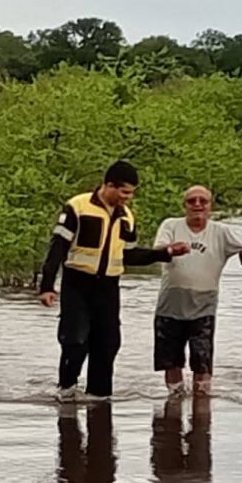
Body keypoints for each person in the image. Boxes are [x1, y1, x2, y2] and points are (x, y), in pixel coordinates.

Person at [38, 160, 190, 401]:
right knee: (76, 340)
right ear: (109, 185)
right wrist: (47, 286)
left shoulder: (127, 217)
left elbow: (130, 255)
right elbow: (58, 248)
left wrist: (166, 252)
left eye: (131, 193)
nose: (128, 198)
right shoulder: (77, 207)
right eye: (124, 192)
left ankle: (99, 399)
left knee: (108, 344)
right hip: (77, 283)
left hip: (108, 287)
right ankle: (66, 393)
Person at [153, 185, 242, 395]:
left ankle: (201, 404)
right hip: (169, 307)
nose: (197, 205)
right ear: (184, 205)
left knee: (202, 363)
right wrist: (171, 250)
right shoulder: (171, 225)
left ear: (210, 206)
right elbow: (158, 250)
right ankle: (174, 400)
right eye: (192, 201)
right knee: (170, 362)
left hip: (203, 309)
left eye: (203, 201)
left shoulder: (221, 232)